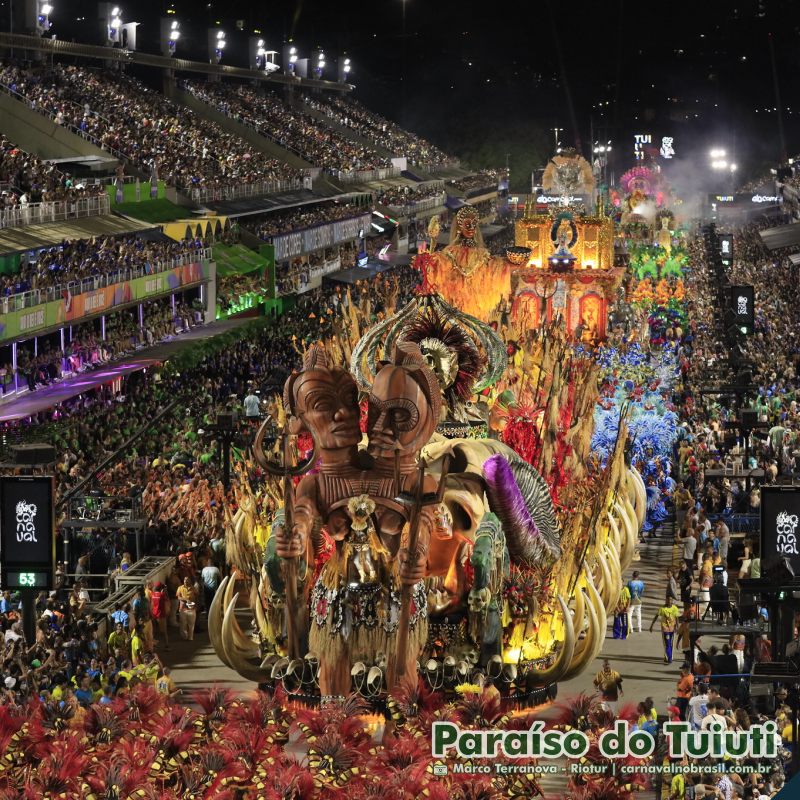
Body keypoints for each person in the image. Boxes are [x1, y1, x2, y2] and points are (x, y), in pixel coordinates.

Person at [649, 595, 681, 664]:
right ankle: (669, 657)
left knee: (671, 644)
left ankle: (668, 657)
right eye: (668, 600)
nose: (669, 601)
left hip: (672, 629)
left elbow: (677, 618)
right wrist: (652, 625)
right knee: (667, 644)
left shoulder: (675, 608)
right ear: (666, 601)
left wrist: (677, 627)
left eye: (670, 600)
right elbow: (656, 616)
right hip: (665, 629)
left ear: (672, 601)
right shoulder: (662, 609)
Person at [176, 576, 198, 641]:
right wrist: (186, 600)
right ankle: (185, 636)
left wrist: (196, 604)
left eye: (187, 580)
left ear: (190, 581)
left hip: (192, 608)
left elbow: (197, 596)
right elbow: (178, 597)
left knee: (191, 624)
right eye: (185, 580)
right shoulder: (180, 588)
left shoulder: (193, 588)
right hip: (183, 609)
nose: (185, 581)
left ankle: (190, 637)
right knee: (183, 624)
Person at [150, 581, 170, 650]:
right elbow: (167, 601)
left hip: (154, 614)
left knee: (154, 631)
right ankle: (167, 645)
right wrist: (165, 591)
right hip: (161, 615)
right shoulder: (162, 595)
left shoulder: (152, 594)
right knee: (164, 632)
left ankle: (153, 645)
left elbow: (152, 605)